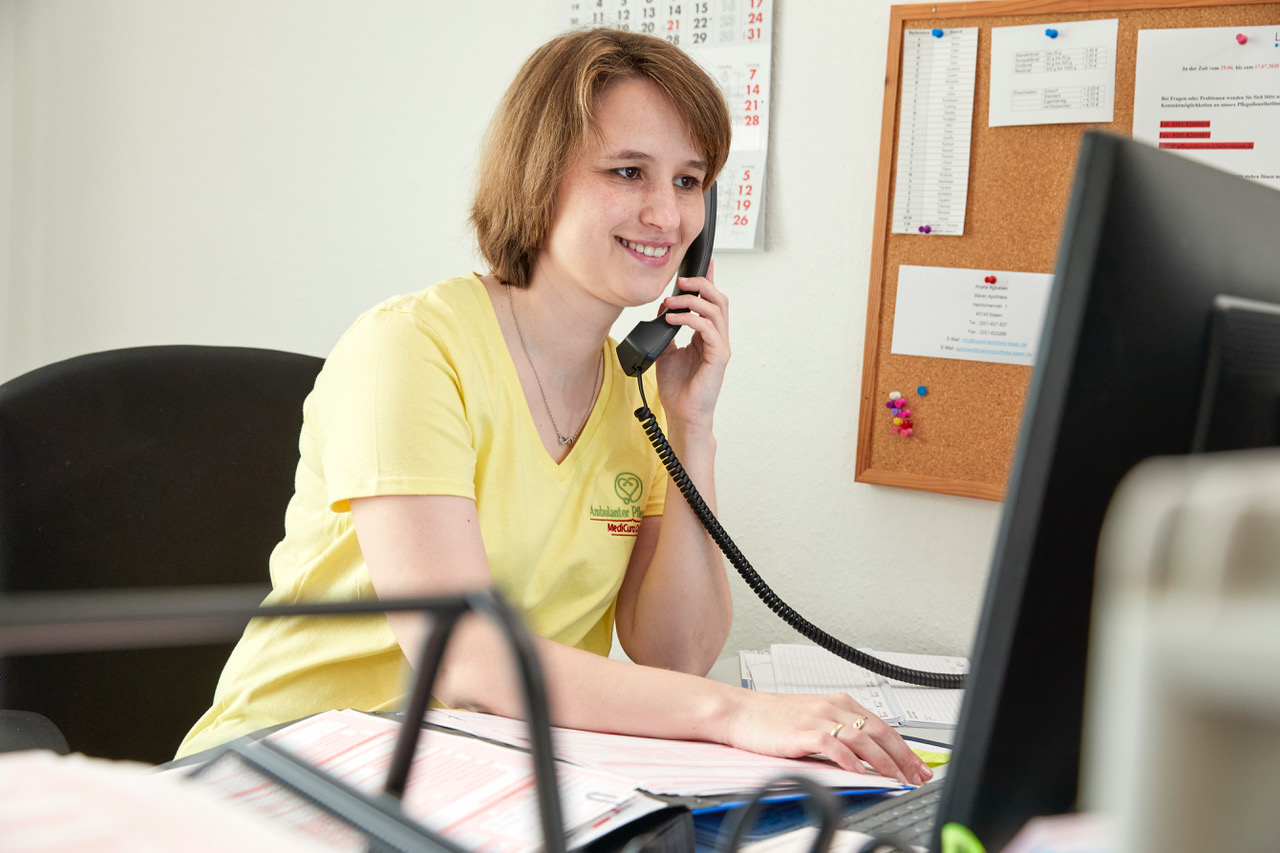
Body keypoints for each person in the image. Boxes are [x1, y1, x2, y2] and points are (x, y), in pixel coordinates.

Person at [177, 27, 932, 788]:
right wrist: (735, 712)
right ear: (538, 177)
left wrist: (692, 427)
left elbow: (675, 654)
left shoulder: (639, 392)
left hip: (477, 780)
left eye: (688, 181)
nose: (667, 216)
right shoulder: (410, 348)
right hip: (282, 776)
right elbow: (465, 660)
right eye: (629, 172)